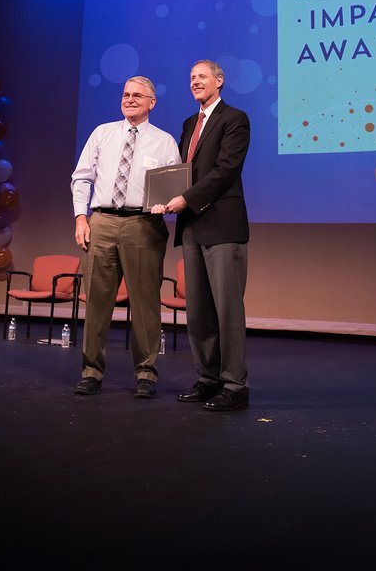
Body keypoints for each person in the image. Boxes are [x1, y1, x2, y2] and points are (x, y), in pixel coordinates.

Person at [71, 75, 180, 399]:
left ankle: (146, 374)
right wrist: (81, 217)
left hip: (143, 224)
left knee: (146, 303)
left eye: (137, 95)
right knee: (97, 302)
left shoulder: (164, 142)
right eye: (126, 94)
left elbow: (174, 188)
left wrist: (168, 203)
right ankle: (91, 371)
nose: (130, 99)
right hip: (102, 221)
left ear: (152, 102)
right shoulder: (102, 133)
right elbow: (81, 177)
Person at [153, 59, 250, 412]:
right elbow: (181, 171)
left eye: (202, 76)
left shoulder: (235, 119)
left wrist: (185, 198)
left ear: (219, 81)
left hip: (222, 225)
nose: (195, 82)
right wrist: (161, 197)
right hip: (191, 226)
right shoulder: (189, 123)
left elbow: (226, 171)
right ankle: (208, 379)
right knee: (199, 311)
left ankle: (235, 385)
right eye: (191, 77)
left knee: (227, 310)